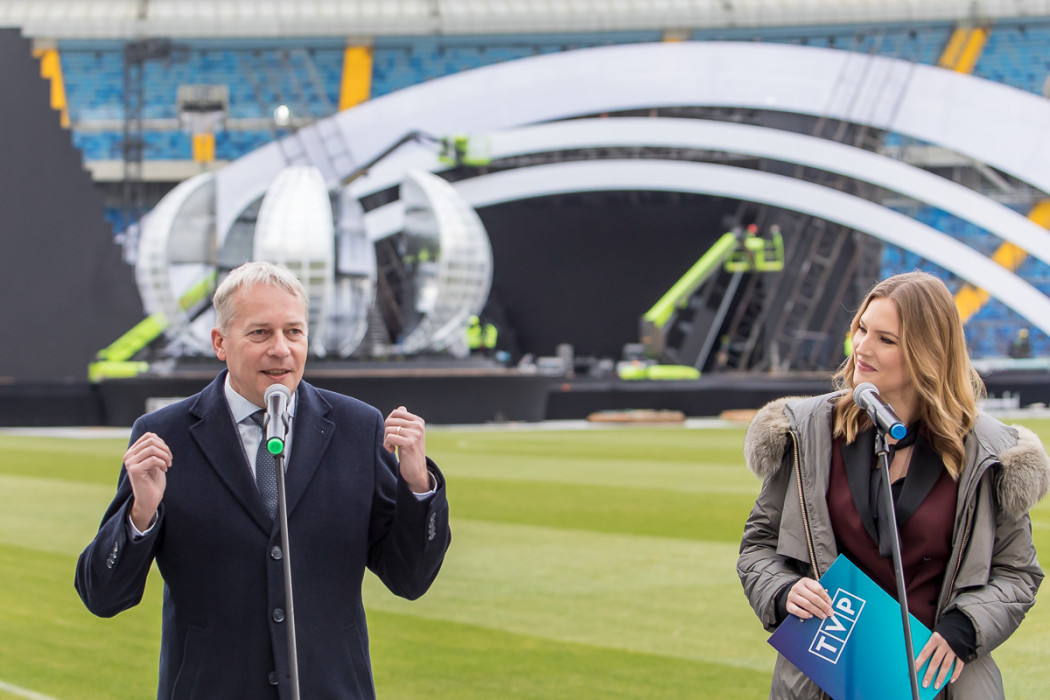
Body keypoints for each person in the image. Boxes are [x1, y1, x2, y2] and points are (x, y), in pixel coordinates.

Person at [75, 261, 451, 699]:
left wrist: (417, 484)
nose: (281, 349)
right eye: (260, 333)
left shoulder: (357, 427)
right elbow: (102, 596)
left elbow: (410, 579)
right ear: (220, 342)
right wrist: (141, 514)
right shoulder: (164, 435)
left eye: (294, 332)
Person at [738, 271, 1049, 699]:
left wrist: (967, 626)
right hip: (829, 679)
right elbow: (758, 545)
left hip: (940, 686)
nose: (862, 347)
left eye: (886, 339)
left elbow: (1017, 572)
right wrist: (782, 591)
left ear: (928, 354)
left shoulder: (989, 453)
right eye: (862, 329)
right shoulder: (807, 432)